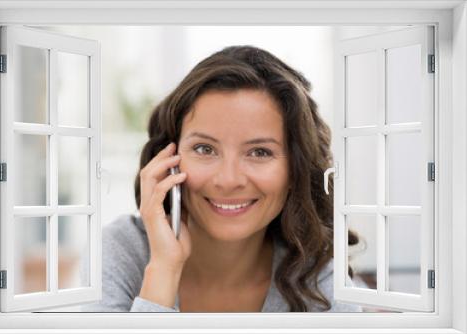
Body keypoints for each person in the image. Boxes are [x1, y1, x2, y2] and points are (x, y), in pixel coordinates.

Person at [82, 45, 361, 313]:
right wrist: (163, 271)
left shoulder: (317, 277)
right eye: (205, 149)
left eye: (259, 152)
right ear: (167, 160)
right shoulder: (120, 251)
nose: (228, 180)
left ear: (295, 170)